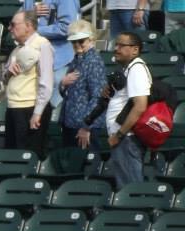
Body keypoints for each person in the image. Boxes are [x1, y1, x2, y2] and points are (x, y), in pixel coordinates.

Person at [3, 11, 53, 156]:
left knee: (28, 155)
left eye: (13, 25)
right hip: (13, 107)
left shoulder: (42, 45)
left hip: (29, 109)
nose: (9, 28)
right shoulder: (17, 49)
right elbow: (5, 78)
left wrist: (37, 113)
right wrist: (8, 71)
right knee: (12, 154)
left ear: (29, 26)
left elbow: (46, 81)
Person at [106, 32, 151, 189]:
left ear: (135, 50)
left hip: (127, 139)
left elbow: (140, 106)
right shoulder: (129, 69)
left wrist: (119, 135)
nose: (116, 49)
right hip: (124, 138)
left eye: (121, 45)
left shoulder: (136, 69)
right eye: (115, 45)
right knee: (126, 187)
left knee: (130, 190)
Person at [58, 20, 106, 150]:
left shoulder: (94, 62)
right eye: (74, 41)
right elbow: (69, 92)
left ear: (91, 39)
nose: (77, 44)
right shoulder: (77, 59)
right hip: (71, 123)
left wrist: (86, 127)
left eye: (81, 41)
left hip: (84, 128)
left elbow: (98, 98)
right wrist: (62, 84)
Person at [20, 0, 79, 107]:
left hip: (57, 63)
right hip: (31, 63)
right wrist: (30, 14)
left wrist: (35, 31)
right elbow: (18, 21)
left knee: (51, 111)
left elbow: (67, 28)